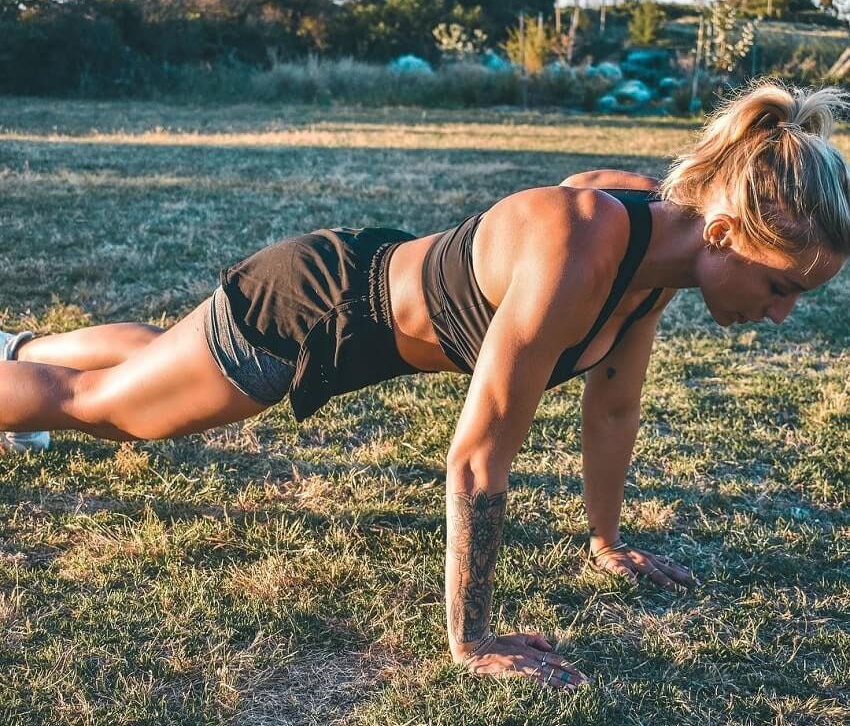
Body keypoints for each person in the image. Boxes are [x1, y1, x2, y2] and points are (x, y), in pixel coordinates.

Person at [1, 81, 849, 690]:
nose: (780, 315)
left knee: (161, 354)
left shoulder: (663, 257)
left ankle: (18, 346)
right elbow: (478, 459)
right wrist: (471, 639)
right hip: (315, 310)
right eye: (782, 288)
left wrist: (606, 540)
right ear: (726, 230)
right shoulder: (582, 248)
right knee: (103, 411)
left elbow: (614, 403)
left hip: (357, 287)